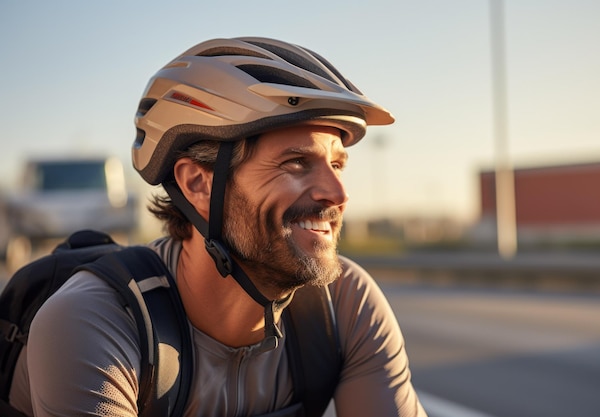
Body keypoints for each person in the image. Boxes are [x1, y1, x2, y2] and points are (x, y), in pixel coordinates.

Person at [11, 37, 426, 416]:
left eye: (336, 164)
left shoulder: (345, 305)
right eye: (296, 162)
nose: (337, 193)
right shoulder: (94, 322)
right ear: (198, 184)